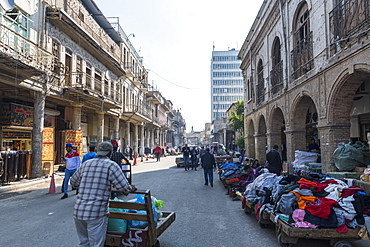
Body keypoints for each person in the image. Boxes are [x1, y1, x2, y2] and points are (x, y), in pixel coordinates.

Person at [70, 141, 137, 247]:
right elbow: (124, 188)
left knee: (84, 243)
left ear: (98, 151)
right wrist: (131, 188)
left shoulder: (87, 164)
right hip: (96, 213)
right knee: (96, 244)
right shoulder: (111, 165)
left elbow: (73, 181)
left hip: (79, 211)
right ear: (110, 153)